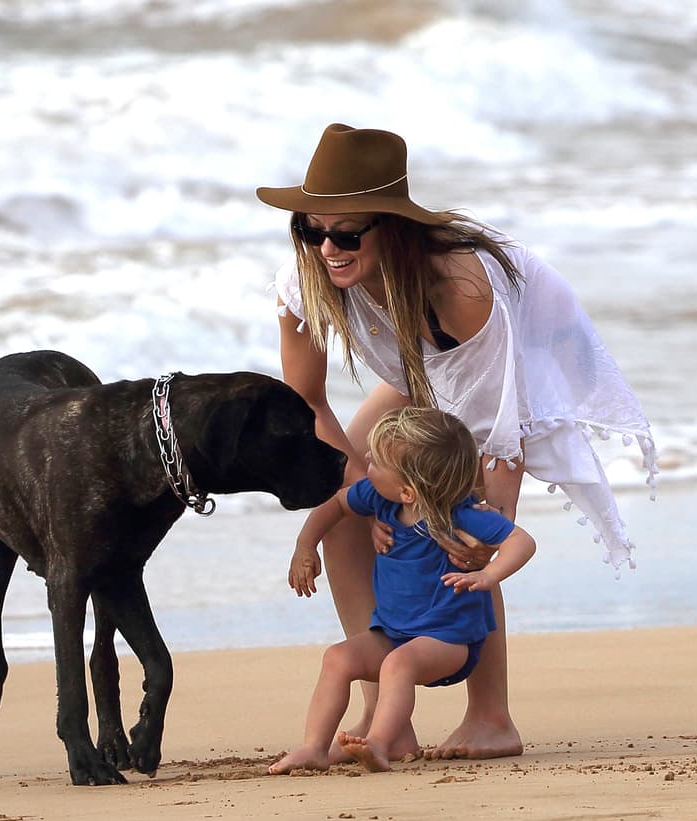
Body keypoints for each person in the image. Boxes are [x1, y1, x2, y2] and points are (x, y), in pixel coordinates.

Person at [257, 122, 657, 761]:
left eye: (347, 233)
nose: (327, 247)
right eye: (311, 229)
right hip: (420, 367)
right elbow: (307, 402)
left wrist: (486, 524)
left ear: (393, 226)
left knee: (465, 527)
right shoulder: (304, 278)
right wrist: (373, 494)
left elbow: (497, 436)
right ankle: (384, 708)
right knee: (342, 504)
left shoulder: (460, 288)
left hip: (505, 363)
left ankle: (492, 717)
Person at [269, 407, 536, 774]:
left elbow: (522, 542)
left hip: (447, 641)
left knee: (398, 664)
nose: (367, 459)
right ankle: (314, 747)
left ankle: (380, 743)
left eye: (377, 462)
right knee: (337, 658)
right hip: (393, 633)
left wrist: (489, 575)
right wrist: (305, 545)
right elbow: (335, 503)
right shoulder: (380, 498)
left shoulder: (460, 514)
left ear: (408, 491)